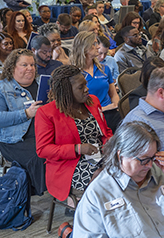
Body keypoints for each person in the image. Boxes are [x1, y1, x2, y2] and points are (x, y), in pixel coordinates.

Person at [36, 63, 113, 205]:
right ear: (66, 91)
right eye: (80, 87)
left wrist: (111, 143)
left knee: (128, 165)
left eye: (85, 84)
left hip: (99, 153)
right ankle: (95, 213)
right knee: (102, 176)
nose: (86, 89)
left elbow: (105, 131)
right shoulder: (46, 113)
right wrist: (77, 148)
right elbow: (43, 149)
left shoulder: (93, 101)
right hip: (69, 164)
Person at [0, 49, 46, 195]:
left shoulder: (42, 84)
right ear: (12, 67)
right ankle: (49, 190)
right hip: (15, 140)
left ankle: (65, 188)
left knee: (68, 148)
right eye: (24, 65)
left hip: (42, 133)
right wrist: (26, 114)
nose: (30, 68)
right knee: (41, 155)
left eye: (32, 64)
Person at [72, 31, 121, 131]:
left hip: (110, 112)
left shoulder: (104, 69)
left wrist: (116, 104)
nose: (98, 47)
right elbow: (75, 103)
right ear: (84, 48)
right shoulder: (75, 73)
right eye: (94, 44)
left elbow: (113, 94)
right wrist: (103, 109)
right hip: (89, 116)